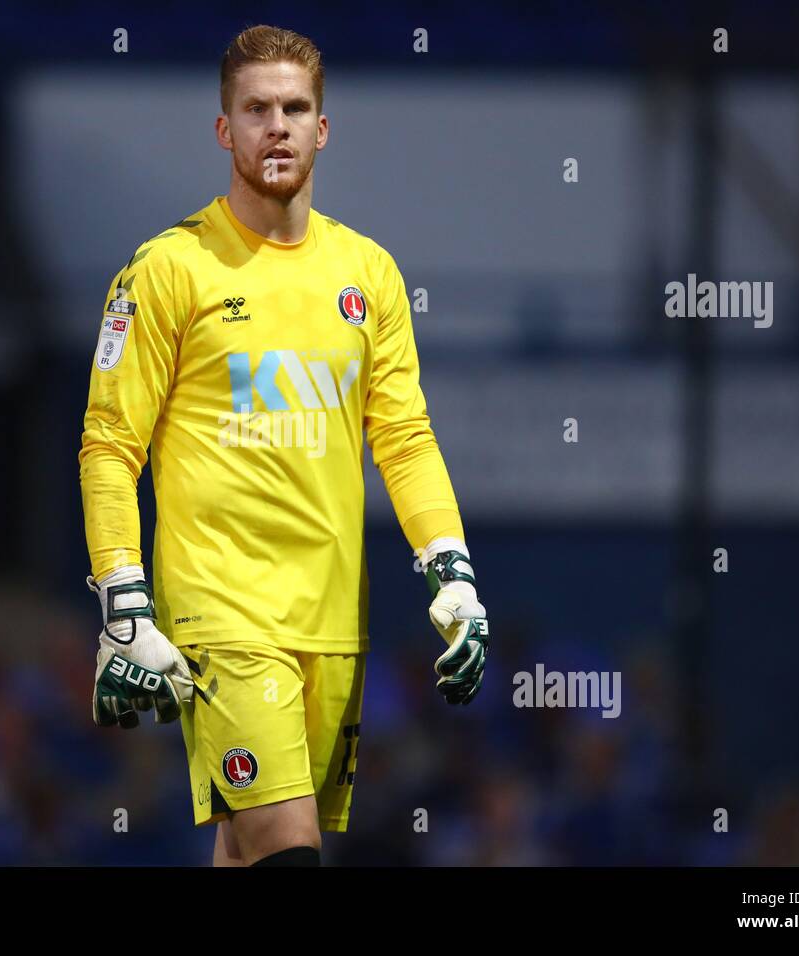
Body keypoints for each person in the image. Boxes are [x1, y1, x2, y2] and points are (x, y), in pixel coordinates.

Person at [78, 24, 488, 867]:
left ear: (323, 128)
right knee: (287, 848)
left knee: (247, 847)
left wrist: (451, 571)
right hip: (222, 610)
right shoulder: (168, 270)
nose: (278, 126)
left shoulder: (368, 275)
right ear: (224, 129)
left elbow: (404, 438)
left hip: (333, 617)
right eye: (256, 108)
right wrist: (124, 599)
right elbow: (109, 442)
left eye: (295, 108)